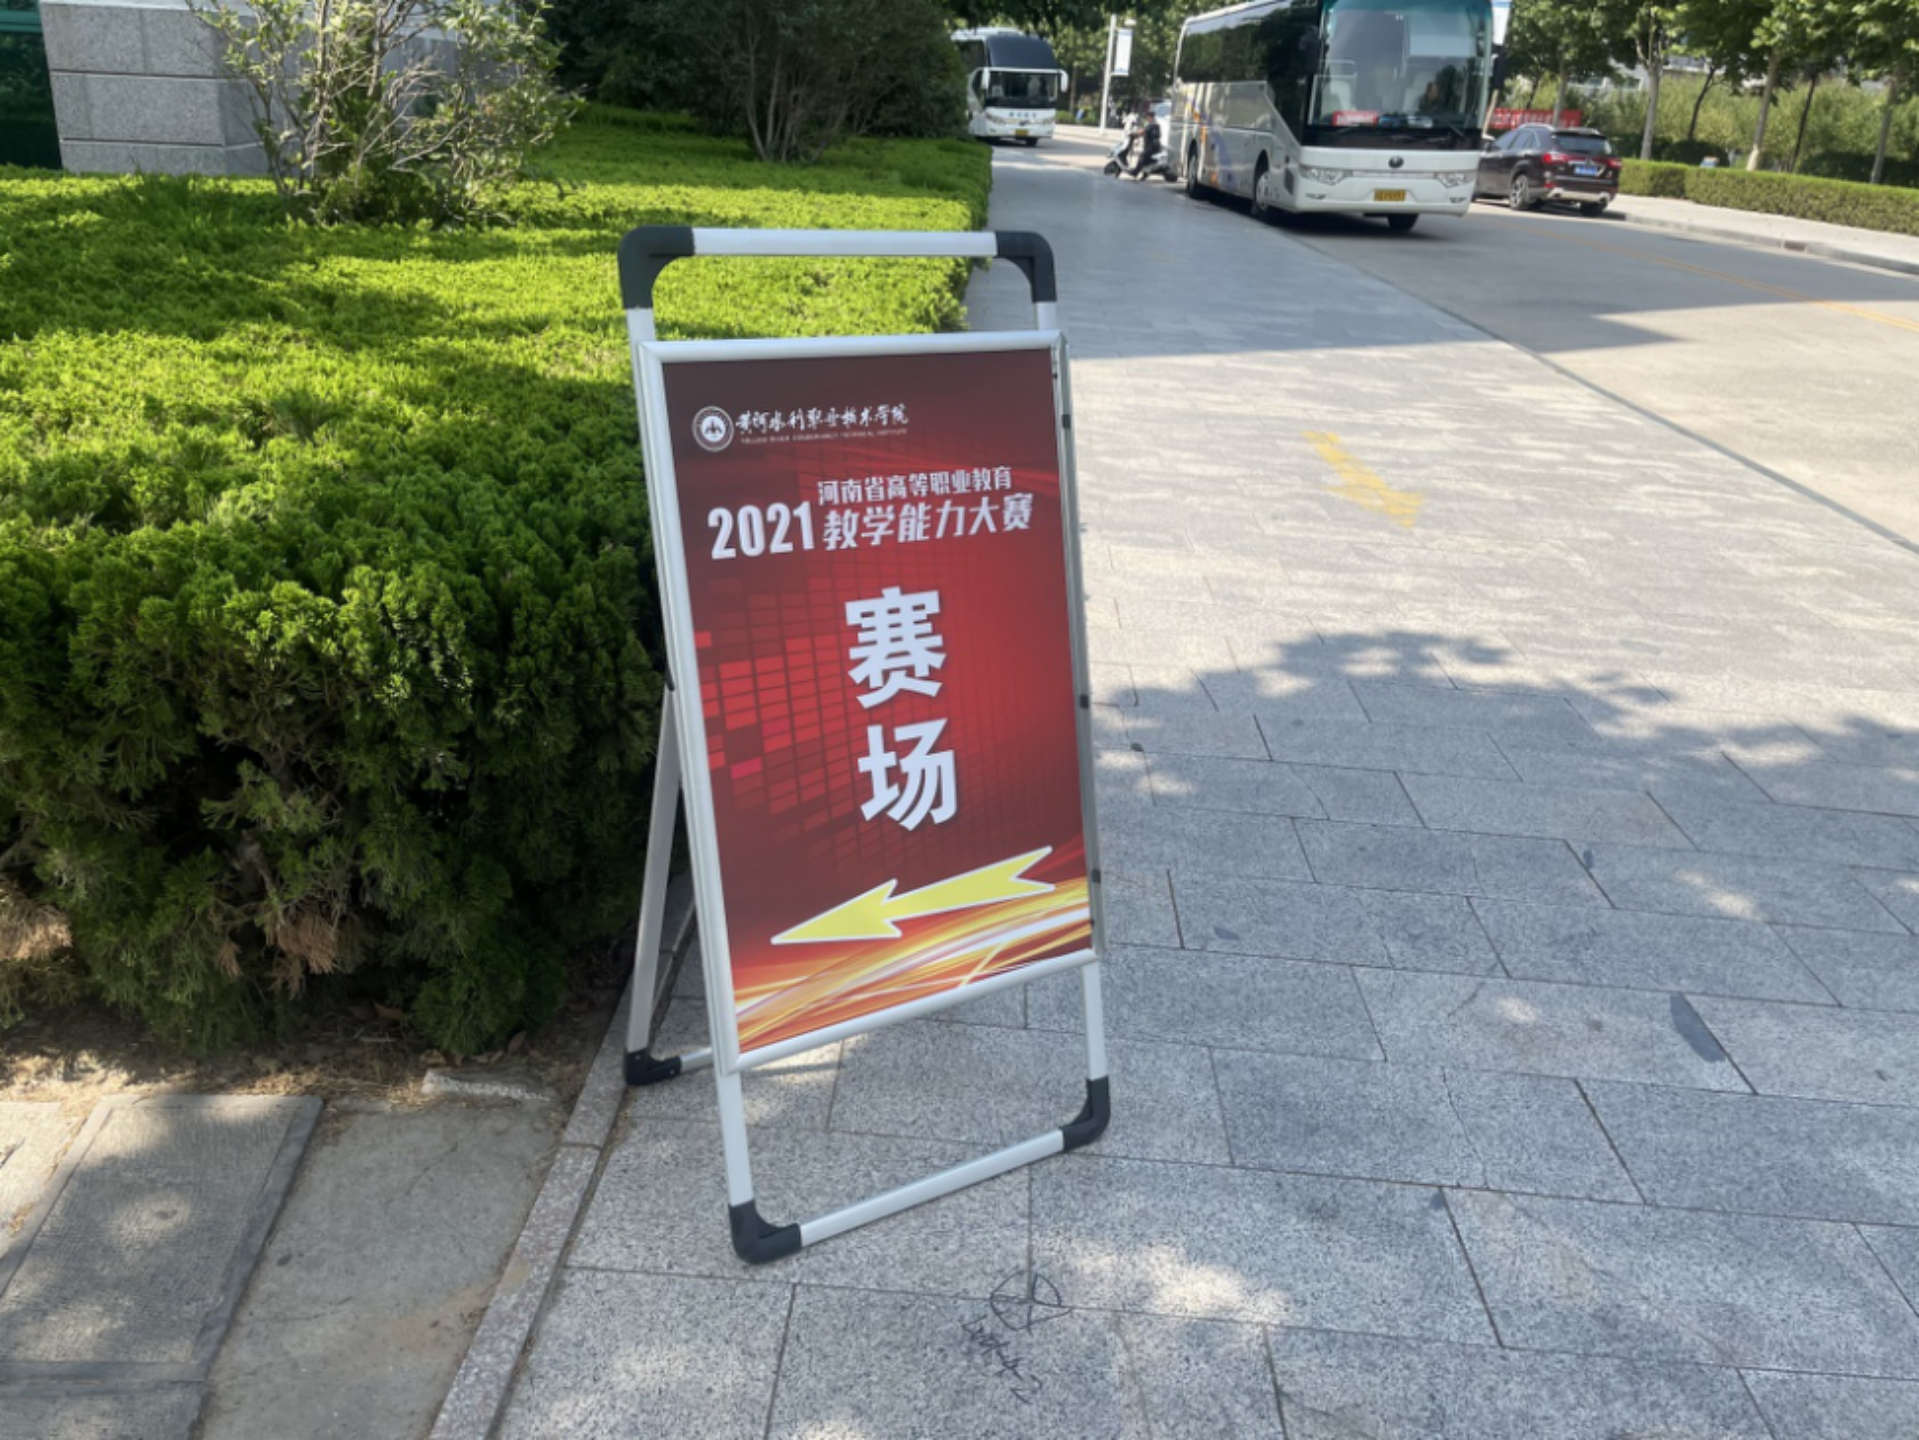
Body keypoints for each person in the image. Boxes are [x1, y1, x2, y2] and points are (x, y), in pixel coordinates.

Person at [1126, 102, 1162, 179]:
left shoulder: (1152, 124)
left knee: (1142, 157)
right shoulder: (1156, 124)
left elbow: (1143, 131)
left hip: (1152, 146)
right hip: (1155, 146)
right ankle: (1145, 173)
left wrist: (1133, 134)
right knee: (1146, 158)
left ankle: (1135, 172)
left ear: (1150, 116)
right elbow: (1145, 132)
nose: (1146, 118)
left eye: (1147, 116)